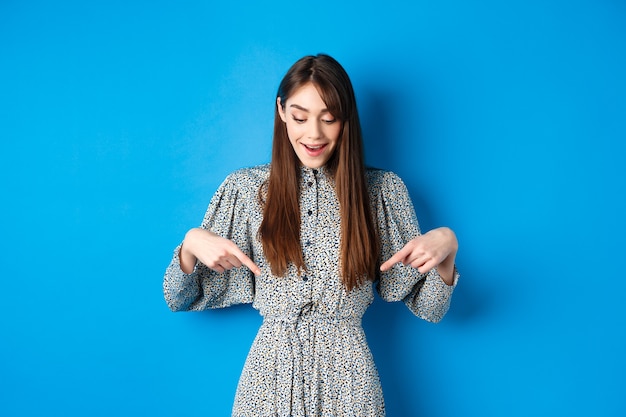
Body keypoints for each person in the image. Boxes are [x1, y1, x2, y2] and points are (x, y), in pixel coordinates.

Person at [163, 54, 459, 417]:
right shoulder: (245, 191)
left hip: (351, 382)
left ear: (346, 118)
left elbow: (431, 308)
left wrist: (448, 245)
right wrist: (190, 244)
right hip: (268, 382)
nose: (314, 133)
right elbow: (177, 298)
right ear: (281, 111)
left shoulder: (382, 192)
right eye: (301, 117)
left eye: (329, 118)